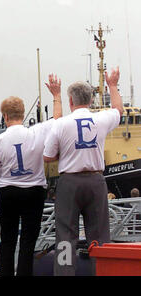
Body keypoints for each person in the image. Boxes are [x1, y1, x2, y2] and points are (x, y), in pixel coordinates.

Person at [43, 67, 123, 276]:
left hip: (69, 182)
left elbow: (48, 156)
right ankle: (101, 271)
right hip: (96, 181)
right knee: (99, 236)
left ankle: (64, 273)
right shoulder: (102, 119)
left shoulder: (61, 124)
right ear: (90, 100)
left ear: (71, 101)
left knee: (65, 236)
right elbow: (118, 110)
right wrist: (113, 86)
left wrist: (68, 154)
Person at [0, 74, 62, 276]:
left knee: (8, 241)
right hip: (33, 192)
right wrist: (56, 95)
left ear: (4, 116)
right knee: (28, 241)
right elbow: (57, 121)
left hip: (8, 192)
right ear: (22, 113)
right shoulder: (36, 132)